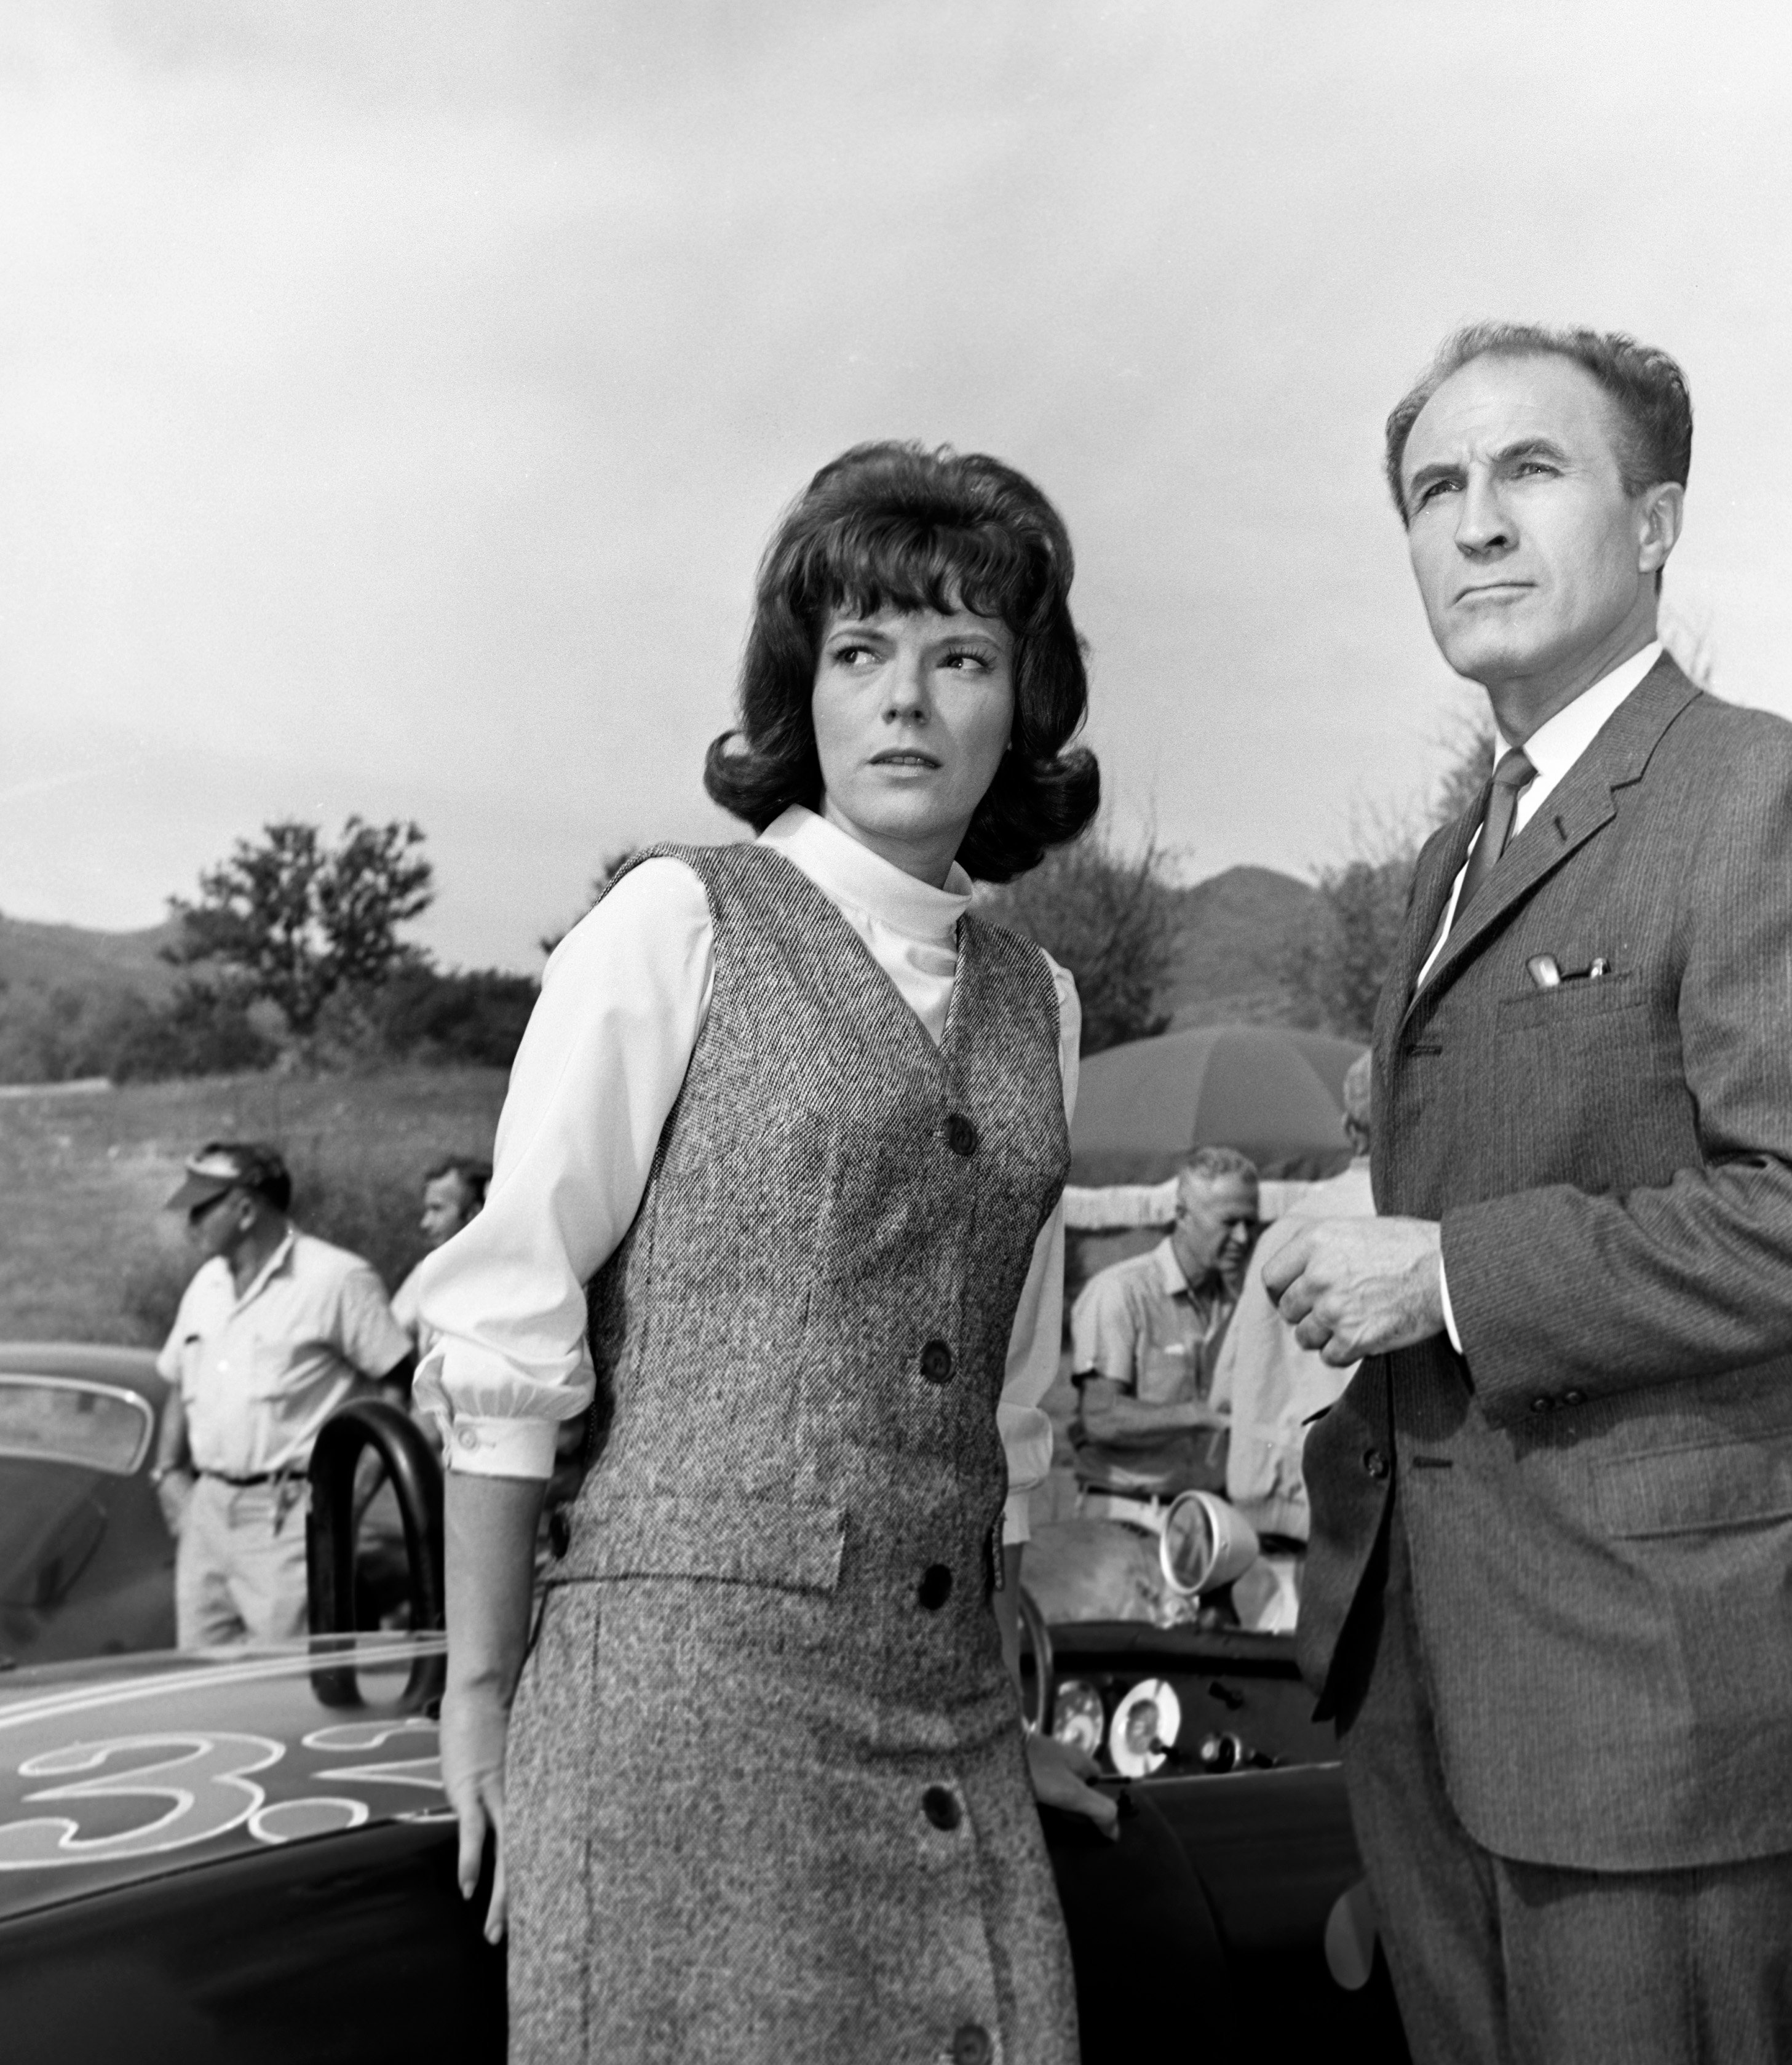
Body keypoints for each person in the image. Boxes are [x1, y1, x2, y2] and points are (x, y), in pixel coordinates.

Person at [1263, 325, 1792, 2065]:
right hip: (1425, 1687)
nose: (1471, 523)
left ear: (1652, 526)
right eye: (1432, 489)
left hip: (1644, 1708)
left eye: (1526, 472)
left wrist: (1445, 1277)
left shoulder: (1758, 794)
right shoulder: (1445, 856)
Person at [414, 441, 1115, 2065]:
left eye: (961, 659)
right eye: (860, 654)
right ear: (802, 690)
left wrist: (1001, 1697)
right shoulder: (675, 921)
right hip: (684, 1720)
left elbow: (1003, 1377)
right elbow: (510, 1314)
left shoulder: (1042, 1002)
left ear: (1022, 704)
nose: (905, 703)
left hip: (944, 1719)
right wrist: (480, 1693)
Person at [151, 1141, 416, 1648]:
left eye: (203, 1207)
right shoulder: (206, 1283)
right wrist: (169, 1473)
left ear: (246, 1208)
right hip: (208, 1511)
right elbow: (180, 1376)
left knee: (284, 1679)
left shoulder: (336, 1278)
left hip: (290, 1512)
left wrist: (347, 1501)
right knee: (200, 1677)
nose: (191, 1222)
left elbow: (396, 1386)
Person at [1211, 1050, 1373, 1545]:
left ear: (1349, 1130)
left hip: (1275, 1512)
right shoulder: (1420, 1229)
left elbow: (1226, 1389)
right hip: (1374, 1512)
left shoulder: (1283, 1231)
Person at [1068, 1145, 1258, 1526]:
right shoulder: (1122, 1293)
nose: (1242, 1237)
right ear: (1182, 1216)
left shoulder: (1240, 1305)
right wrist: (1198, 1415)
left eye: (1251, 1223)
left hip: (1207, 1522)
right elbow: (1101, 1417)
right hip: (1128, 1517)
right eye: (1228, 1222)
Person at [389, 1156, 491, 1354]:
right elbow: (388, 1344)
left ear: (474, 1213)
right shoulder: (426, 1274)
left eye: (437, 1209)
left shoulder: (514, 1276)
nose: (425, 1223)